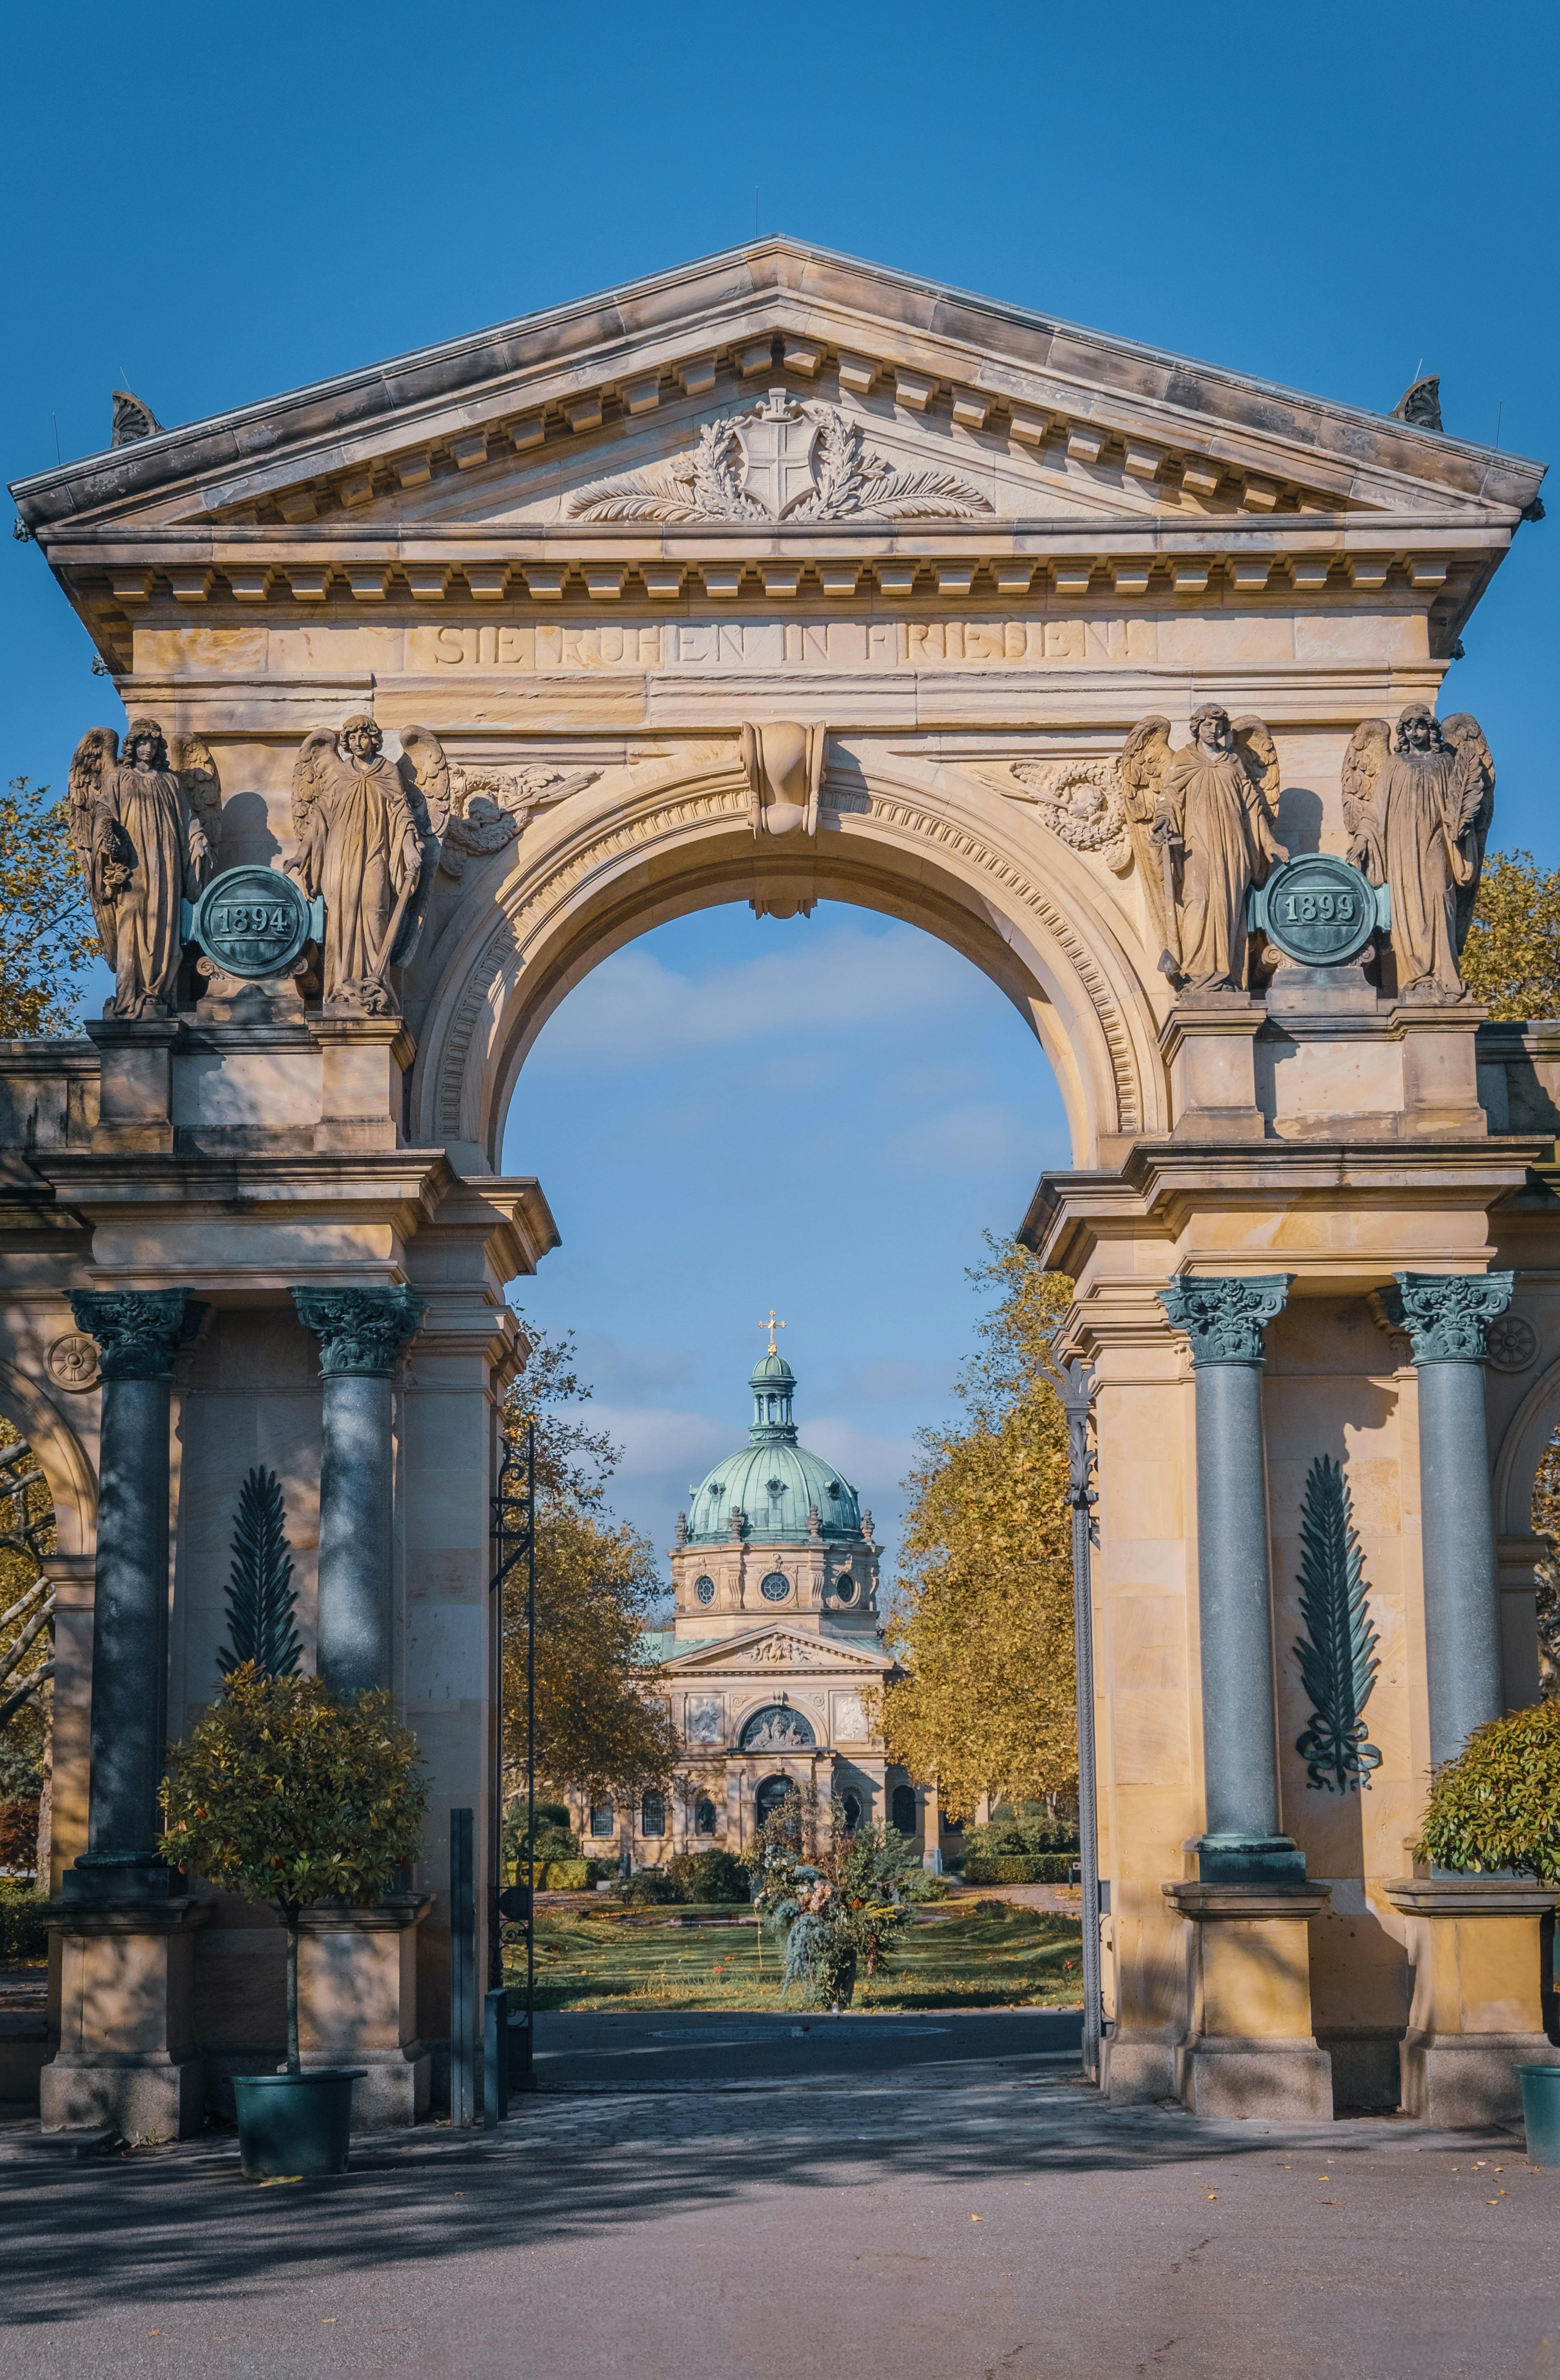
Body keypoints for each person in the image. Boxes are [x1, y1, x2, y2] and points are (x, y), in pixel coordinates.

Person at [1153, 706, 1283, 992]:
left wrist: (1268, 842)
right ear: (1197, 728)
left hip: (1232, 846)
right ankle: (1198, 973)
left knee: (1228, 907)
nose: (1212, 730)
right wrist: (1163, 821)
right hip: (1197, 843)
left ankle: (1227, 976)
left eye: (1217, 725)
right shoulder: (1183, 759)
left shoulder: (1233, 762)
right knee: (1198, 900)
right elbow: (1170, 797)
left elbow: (1252, 807)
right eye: (1207, 725)